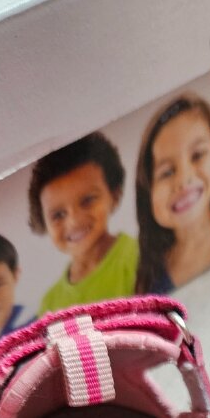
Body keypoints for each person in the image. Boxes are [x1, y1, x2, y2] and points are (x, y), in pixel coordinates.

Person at [135, 93, 210, 294]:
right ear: (148, 195)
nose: (184, 180)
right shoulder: (150, 275)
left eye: (197, 155)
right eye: (167, 172)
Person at [28, 133, 138, 313]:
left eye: (87, 200)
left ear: (114, 195)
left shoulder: (138, 259)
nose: (74, 222)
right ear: (43, 221)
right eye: (58, 214)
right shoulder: (49, 305)